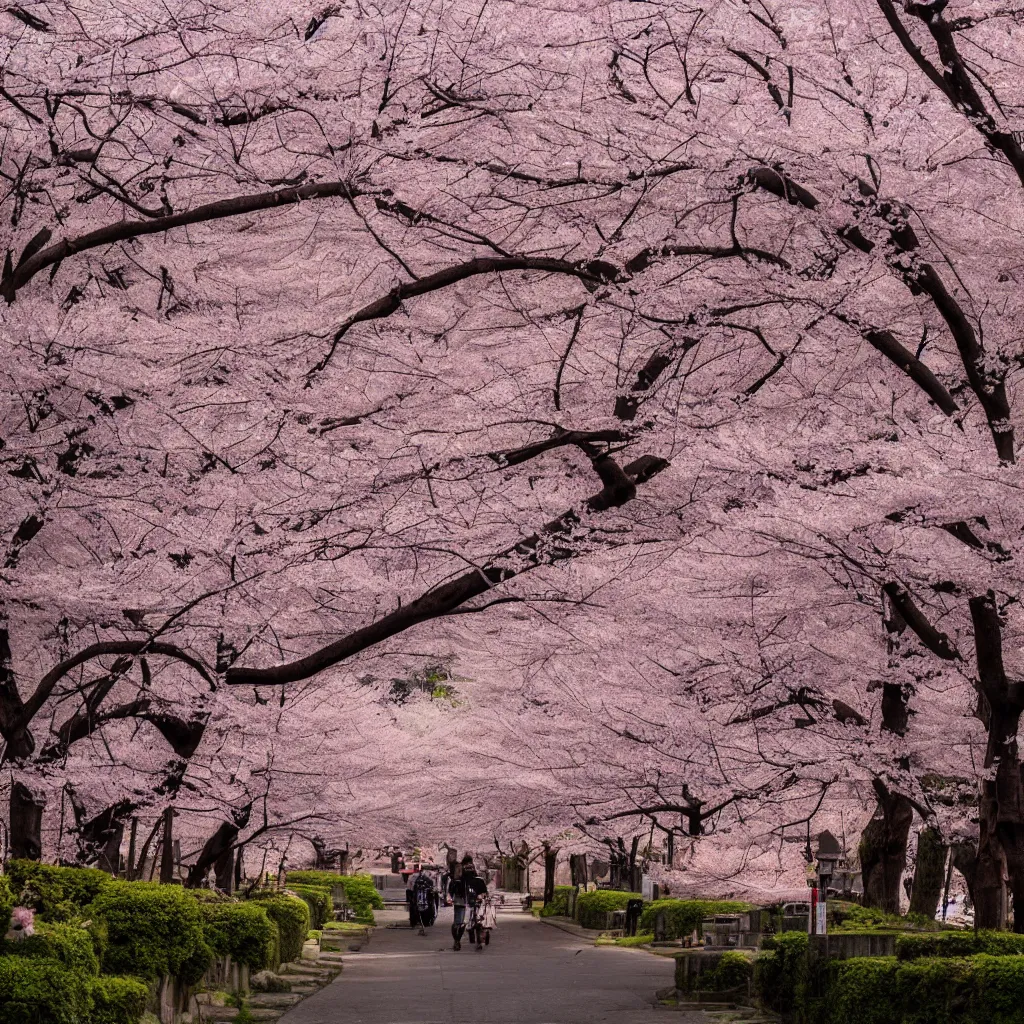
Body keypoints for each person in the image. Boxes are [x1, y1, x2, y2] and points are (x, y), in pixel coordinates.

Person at [448, 856, 488, 951]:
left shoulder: (458, 879)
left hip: (462, 901)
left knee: (461, 922)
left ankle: (457, 942)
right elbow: (483, 892)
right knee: (475, 922)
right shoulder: (477, 879)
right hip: (468, 901)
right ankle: (466, 942)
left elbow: (451, 890)